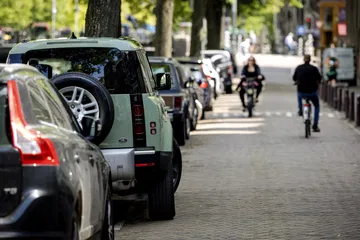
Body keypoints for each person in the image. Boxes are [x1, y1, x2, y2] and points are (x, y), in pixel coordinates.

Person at [292, 54, 322, 132]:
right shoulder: (314, 69)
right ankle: (315, 125)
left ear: (303, 59)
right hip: (312, 92)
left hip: (302, 91)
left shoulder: (299, 68)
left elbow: (294, 78)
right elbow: (319, 78)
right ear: (310, 60)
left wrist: (297, 81)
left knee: (299, 94)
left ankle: (300, 108)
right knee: (317, 106)